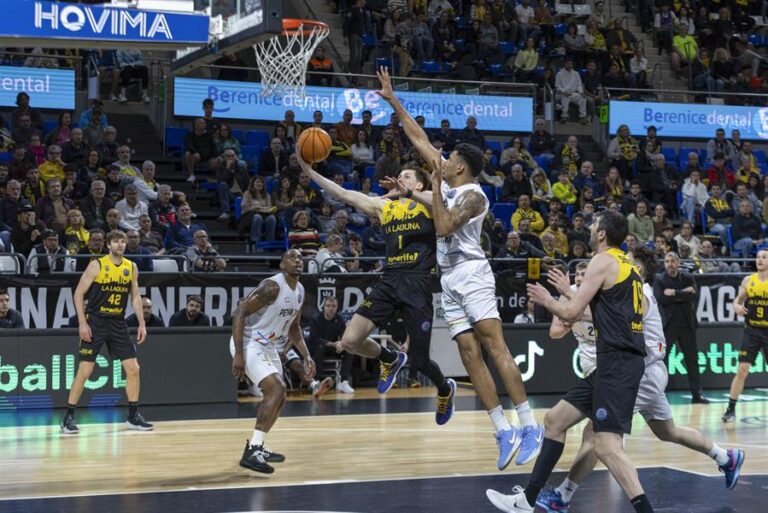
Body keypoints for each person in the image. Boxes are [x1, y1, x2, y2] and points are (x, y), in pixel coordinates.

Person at [375, 67, 543, 468]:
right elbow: (418, 137)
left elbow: (446, 223)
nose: (442, 160)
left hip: (472, 272)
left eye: (448, 159)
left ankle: (529, 424)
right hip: (448, 278)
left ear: (460, 168)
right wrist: (393, 100)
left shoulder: (473, 196)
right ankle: (502, 430)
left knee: (493, 345)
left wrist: (422, 191)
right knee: (468, 355)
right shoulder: (448, 181)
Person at [536, 249, 745, 512]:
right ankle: (726, 457)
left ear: (638, 268)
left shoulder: (641, 292)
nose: (621, 262)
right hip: (646, 372)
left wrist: (568, 294)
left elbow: (599, 314)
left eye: (628, 260)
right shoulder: (632, 290)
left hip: (640, 374)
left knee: (596, 434)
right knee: (667, 431)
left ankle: (562, 496)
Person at [488, 210, 652, 513]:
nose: (589, 227)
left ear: (602, 233)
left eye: (593, 224)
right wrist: (565, 291)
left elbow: (571, 313)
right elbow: (608, 314)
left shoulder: (602, 261)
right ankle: (528, 499)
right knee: (555, 420)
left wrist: (546, 298)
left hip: (618, 362)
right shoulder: (626, 263)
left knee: (606, 446)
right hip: (616, 360)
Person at [298, 149, 457, 424]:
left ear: (419, 184)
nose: (400, 179)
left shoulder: (430, 203)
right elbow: (343, 194)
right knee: (349, 341)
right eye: (400, 176)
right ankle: (390, 358)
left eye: (407, 177)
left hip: (418, 282)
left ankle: (445, 388)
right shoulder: (385, 207)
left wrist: (409, 193)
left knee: (420, 361)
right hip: (390, 279)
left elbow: (439, 203)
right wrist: (309, 171)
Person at [230, 249, 315, 474]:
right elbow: (239, 312)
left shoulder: (300, 291)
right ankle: (253, 450)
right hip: (249, 342)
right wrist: (239, 354)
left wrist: (307, 355)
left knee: (281, 397)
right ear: (282, 265)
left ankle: (258, 446)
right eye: (292, 257)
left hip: (267, 345)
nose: (298, 261)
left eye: (301, 258)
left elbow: (294, 328)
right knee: (276, 388)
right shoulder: (272, 287)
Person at [60, 230, 151, 435]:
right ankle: (68, 417)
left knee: (133, 368)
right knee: (86, 370)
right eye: (116, 242)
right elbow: (78, 294)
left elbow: (135, 297)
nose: (120, 245)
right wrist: (83, 323)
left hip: (118, 323)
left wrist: (141, 323)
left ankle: (133, 417)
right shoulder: (97, 265)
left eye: (123, 242)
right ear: (108, 245)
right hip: (96, 321)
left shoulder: (131, 267)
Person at [653, 252, 709, 404]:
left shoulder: (687, 277)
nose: (669, 264)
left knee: (692, 361)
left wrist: (674, 293)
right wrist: (683, 294)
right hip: (668, 326)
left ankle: (697, 394)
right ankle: (659, 394)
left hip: (687, 325)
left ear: (678, 263)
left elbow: (693, 296)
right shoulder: (660, 279)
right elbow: (661, 299)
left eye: (672, 261)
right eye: (667, 261)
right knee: (662, 361)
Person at [724, 249, 768, 422]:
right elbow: (737, 300)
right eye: (758, 257)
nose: (760, 260)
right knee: (742, 371)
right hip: (752, 331)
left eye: (764, 257)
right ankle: (730, 409)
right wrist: (736, 306)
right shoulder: (749, 280)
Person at [309, 296, 355, 393]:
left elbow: (344, 337)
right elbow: (313, 338)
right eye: (328, 306)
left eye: (333, 306)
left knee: (349, 349)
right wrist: (332, 344)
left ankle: (343, 381)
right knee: (320, 347)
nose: (331, 308)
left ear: (337, 307)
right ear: (324, 307)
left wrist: (341, 344)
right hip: (316, 348)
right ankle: (316, 382)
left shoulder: (340, 320)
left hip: (333, 347)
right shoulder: (315, 319)